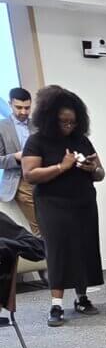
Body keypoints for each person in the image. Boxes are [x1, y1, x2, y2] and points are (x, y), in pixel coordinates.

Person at [21, 86, 105, 328]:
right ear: (50, 119)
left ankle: (82, 298)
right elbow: (30, 174)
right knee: (58, 251)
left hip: (83, 202)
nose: (68, 126)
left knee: (84, 248)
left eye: (72, 122)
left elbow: (100, 172)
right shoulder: (36, 141)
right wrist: (61, 166)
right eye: (63, 122)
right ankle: (56, 305)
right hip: (52, 205)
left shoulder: (81, 140)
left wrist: (93, 169)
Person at [0, 87, 39, 236]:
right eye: (18, 107)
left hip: (43, 178)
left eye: (27, 108)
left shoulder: (37, 125)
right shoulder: (2, 127)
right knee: (40, 227)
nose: (23, 112)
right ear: (10, 104)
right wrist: (16, 157)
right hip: (20, 181)